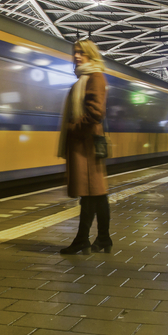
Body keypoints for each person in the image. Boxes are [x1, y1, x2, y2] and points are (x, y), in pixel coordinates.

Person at [58, 39, 110, 254]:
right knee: (94, 194)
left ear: (91, 54)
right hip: (84, 143)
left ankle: (86, 239)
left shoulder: (94, 77)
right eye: (75, 52)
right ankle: (99, 239)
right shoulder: (84, 78)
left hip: (86, 143)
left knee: (93, 193)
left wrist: (73, 128)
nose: (77, 56)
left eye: (82, 52)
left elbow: (96, 113)